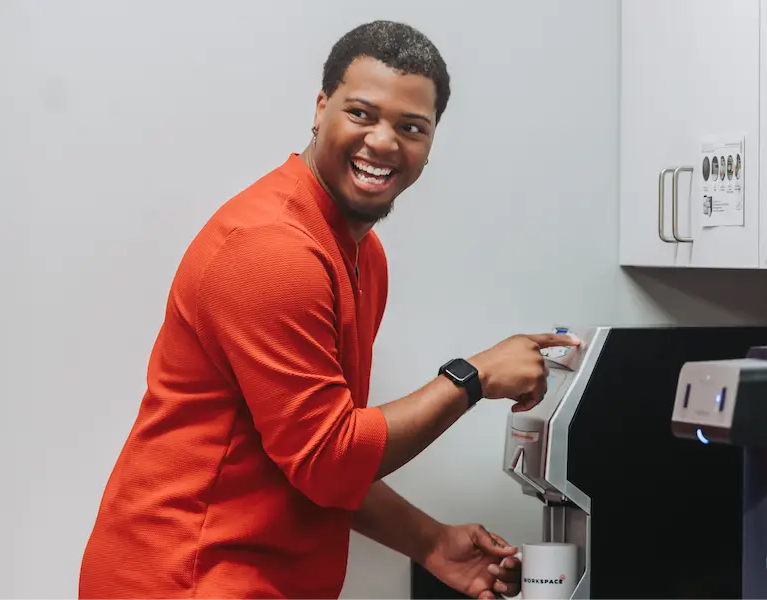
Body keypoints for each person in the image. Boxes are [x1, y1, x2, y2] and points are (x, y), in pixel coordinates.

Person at [77, 19, 579, 600]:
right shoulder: (273, 250)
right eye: (361, 113)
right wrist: (472, 378)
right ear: (321, 108)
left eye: (411, 126)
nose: (384, 142)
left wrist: (432, 543)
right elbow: (329, 460)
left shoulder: (362, 256)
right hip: (186, 579)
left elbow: (313, 459)